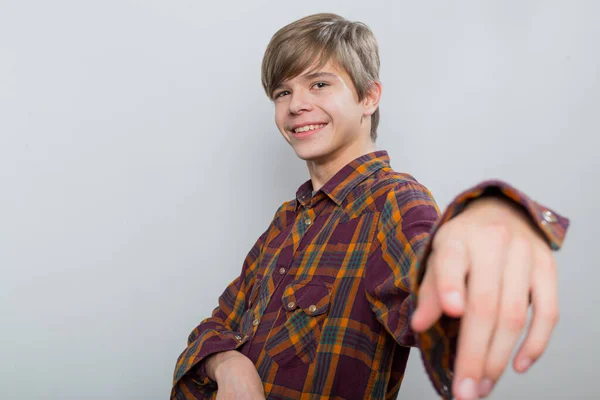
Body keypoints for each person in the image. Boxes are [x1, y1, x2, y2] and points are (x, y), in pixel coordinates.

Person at [171, 13, 569, 400]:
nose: (295, 105)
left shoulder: (396, 203)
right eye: (283, 92)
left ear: (368, 97)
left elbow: (444, 304)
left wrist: (485, 225)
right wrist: (229, 366)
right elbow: (212, 328)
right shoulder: (285, 221)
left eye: (320, 84)